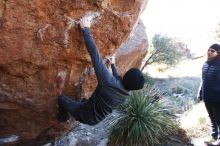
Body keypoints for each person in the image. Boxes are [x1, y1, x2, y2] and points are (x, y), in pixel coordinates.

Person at [57, 17, 145, 125]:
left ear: (125, 76)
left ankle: (63, 117)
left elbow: (95, 55)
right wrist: (112, 64)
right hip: (95, 120)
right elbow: (119, 81)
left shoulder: (108, 82)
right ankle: (82, 105)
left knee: (61, 99)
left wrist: (85, 29)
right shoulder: (125, 95)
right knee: (84, 101)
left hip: (83, 114)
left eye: (127, 71)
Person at [198, 43, 220, 145]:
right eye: (208, 50)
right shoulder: (205, 64)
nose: (209, 52)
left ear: (218, 53)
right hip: (207, 97)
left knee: (219, 118)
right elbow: (203, 80)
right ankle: (214, 136)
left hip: (217, 98)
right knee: (212, 117)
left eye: (212, 51)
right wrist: (200, 92)